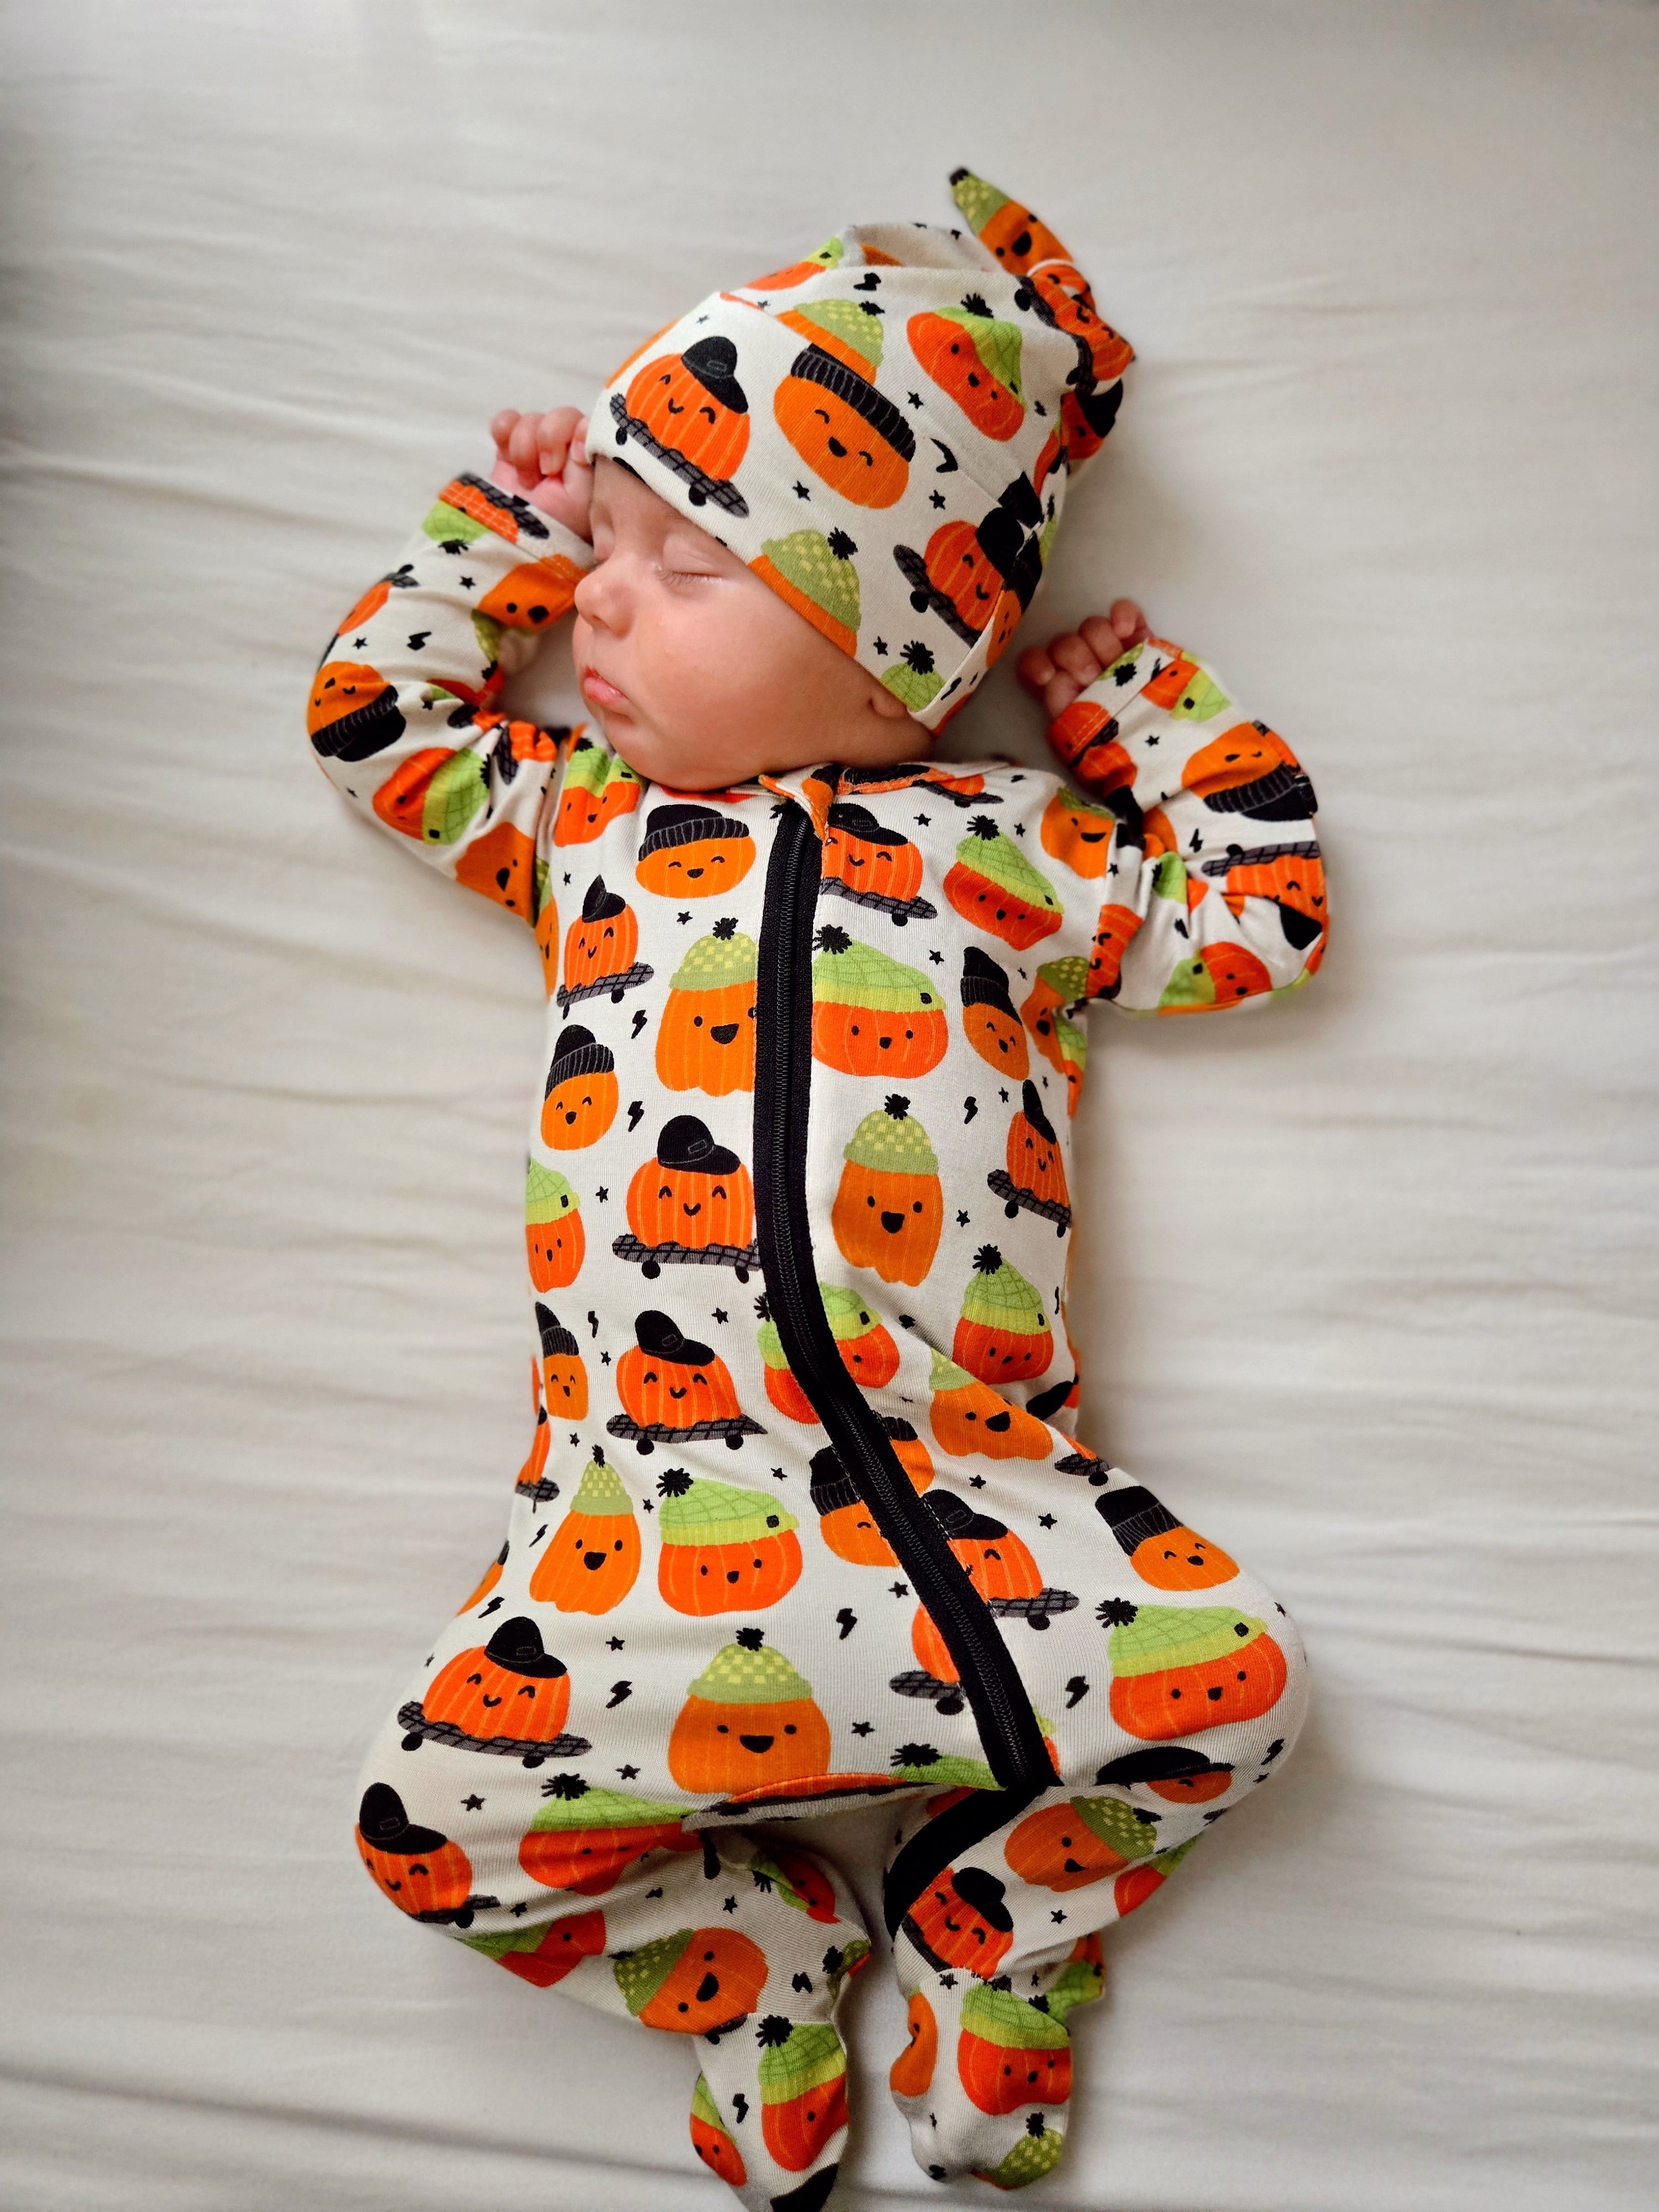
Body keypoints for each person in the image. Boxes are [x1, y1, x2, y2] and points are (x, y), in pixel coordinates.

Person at [310, 169, 1324, 2210]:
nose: (598, 600)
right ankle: (751, 1962)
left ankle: (997, 1924)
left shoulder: (1015, 856)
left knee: (1246, 1696)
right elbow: (378, 726)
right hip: (638, 1560)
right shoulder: (584, 831)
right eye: (604, 540)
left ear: (906, 656)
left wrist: (1139, 712)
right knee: (431, 1825)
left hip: (986, 1523)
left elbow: (1258, 917)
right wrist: (506, 544)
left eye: (673, 561)